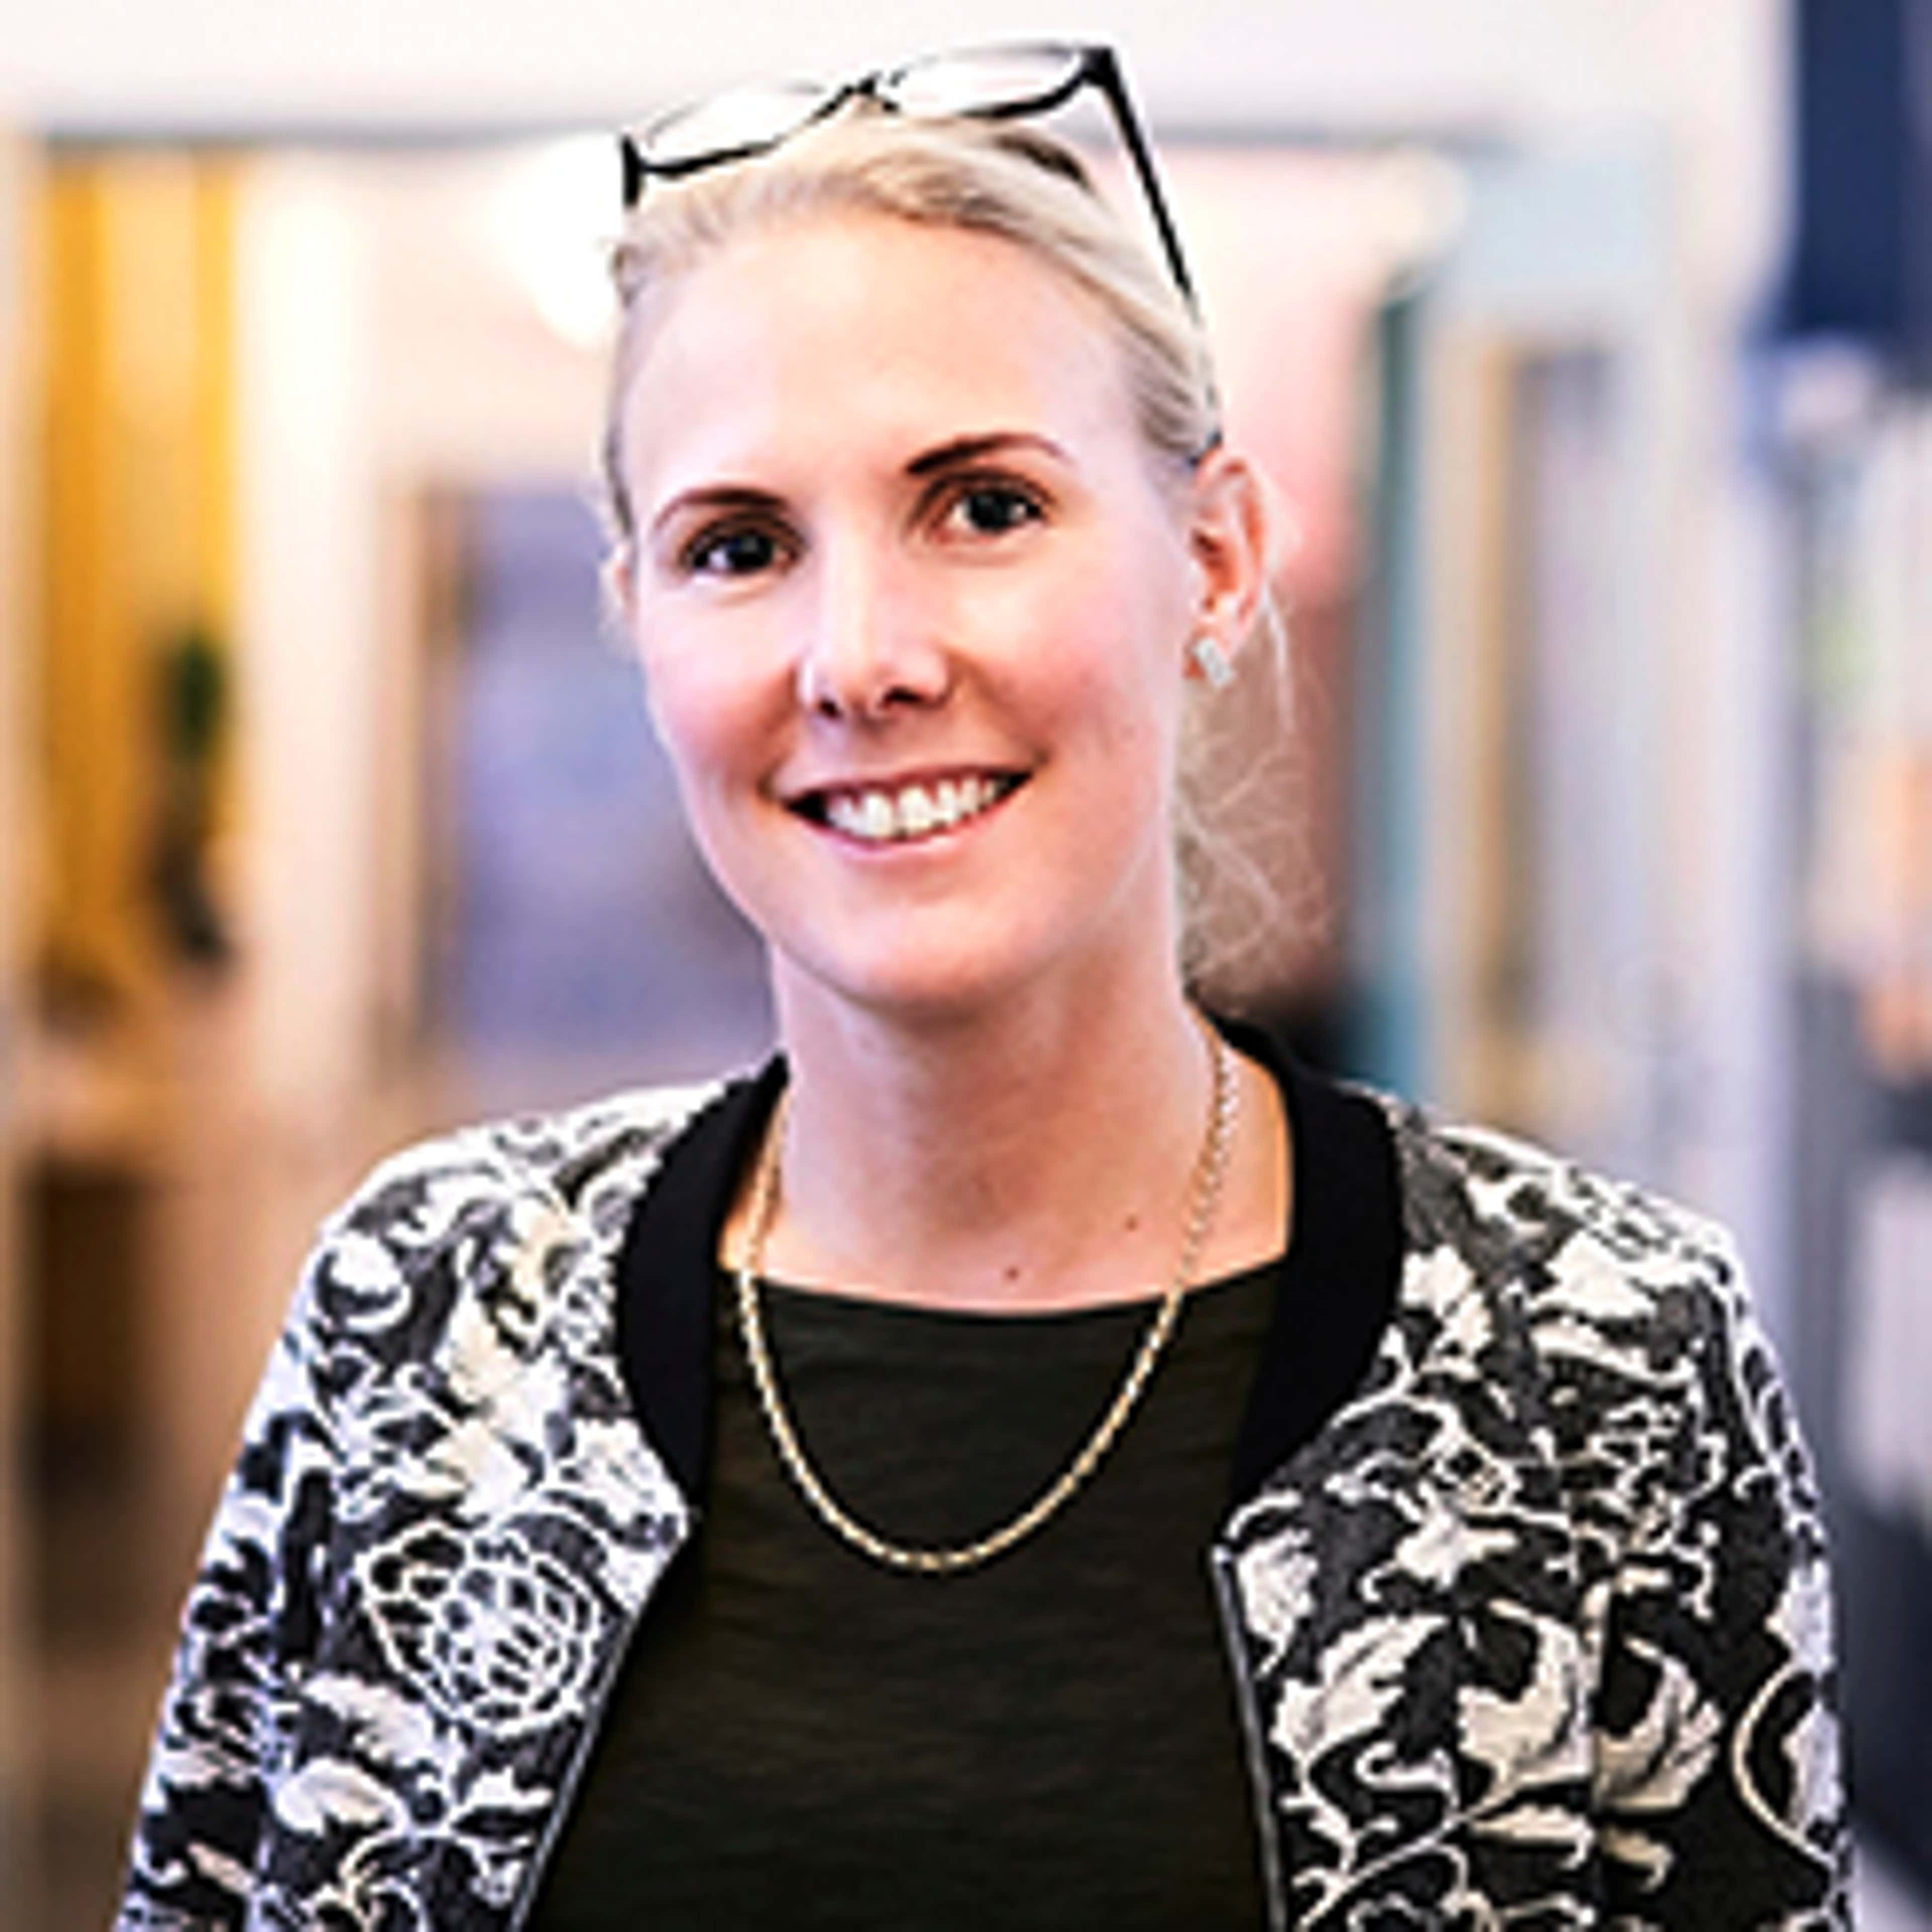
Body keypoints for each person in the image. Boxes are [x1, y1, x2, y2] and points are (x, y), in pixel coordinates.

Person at [118, 43, 1846, 1931]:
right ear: (639, 622)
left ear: (1214, 560)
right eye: (739, 547)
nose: (860, 657)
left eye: (987, 508)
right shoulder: (433, 1317)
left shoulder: (1601, 1361)